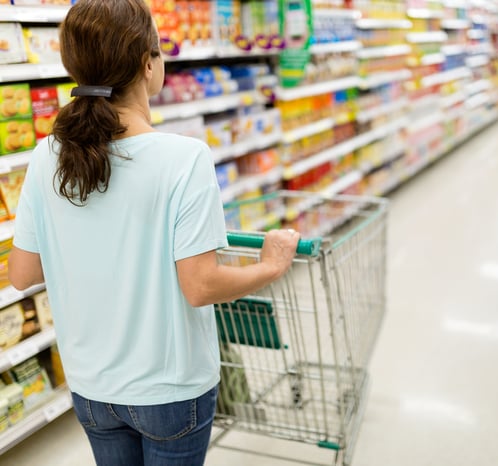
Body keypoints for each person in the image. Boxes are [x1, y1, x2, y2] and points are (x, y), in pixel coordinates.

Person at [7, 1, 299, 465]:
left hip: (91, 389)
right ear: (148, 64)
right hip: (170, 391)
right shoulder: (183, 158)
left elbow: (22, 272)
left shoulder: (48, 155)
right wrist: (271, 265)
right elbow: (201, 285)